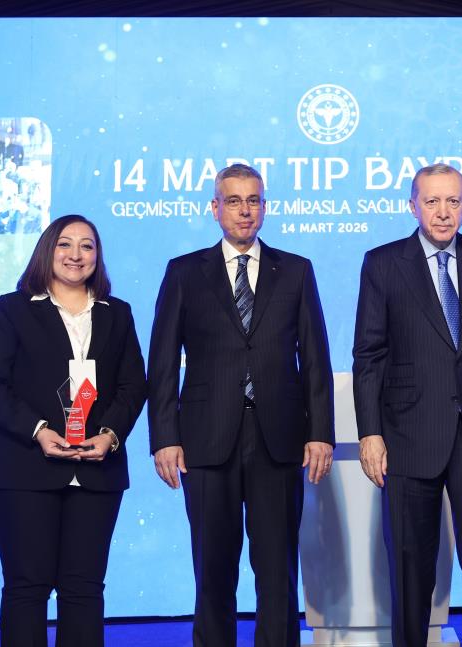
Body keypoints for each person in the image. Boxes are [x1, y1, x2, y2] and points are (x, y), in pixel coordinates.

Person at [148, 163, 334, 647]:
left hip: (279, 440)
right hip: (206, 439)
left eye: (253, 200)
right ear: (215, 208)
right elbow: (162, 363)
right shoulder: (184, 272)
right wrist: (164, 437)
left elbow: (315, 358)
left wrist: (320, 432)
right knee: (212, 570)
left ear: (264, 207)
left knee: (277, 571)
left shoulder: (295, 270)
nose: (244, 210)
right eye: (233, 201)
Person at [352, 163, 462, 647]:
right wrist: (370, 432)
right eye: (432, 201)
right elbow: (368, 355)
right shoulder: (383, 263)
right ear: (413, 206)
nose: (443, 212)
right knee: (410, 571)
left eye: (453, 201)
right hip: (408, 435)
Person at [0, 214, 147, 647]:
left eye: (87, 245)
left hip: (97, 470)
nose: (75, 255)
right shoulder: (14, 309)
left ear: (97, 255)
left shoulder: (117, 313)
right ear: (48, 250)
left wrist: (110, 435)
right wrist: (38, 430)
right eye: (65, 244)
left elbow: (133, 386)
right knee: (27, 587)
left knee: (84, 589)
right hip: (23, 469)